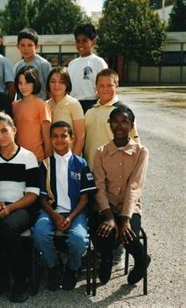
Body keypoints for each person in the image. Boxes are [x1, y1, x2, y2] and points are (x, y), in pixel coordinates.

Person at [0, 112, 40, 303]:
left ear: (14, 130)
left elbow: (33, 194)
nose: (0, 136)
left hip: (21, 207)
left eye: (4, 131)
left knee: (8, 228)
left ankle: (21, 281)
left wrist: (10, 209)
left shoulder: (28, 157)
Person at [32, 121, 96, 291]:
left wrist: (69, 217)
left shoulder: (80, 164)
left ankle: (72, 268)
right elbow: (42, 198)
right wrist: (55, 216)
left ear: (71, 138)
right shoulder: (45, 164)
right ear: (50, 139)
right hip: (51, 211)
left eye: (63, 136)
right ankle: (53, 266)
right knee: (39, 233)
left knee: (78, 239)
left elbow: (84, 198)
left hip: (76, 212)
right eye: (55, 136)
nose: (59, 139)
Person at [92, 106, 150, 286]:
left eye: (124, 121)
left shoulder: (141, 152)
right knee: (101, 230)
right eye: (115, 121)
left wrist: (124, 220)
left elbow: (134, 186)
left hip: (129, 208)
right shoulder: (101, 152)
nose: (119, 126)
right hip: (106, 206)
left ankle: (141, 260)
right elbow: (99, 187)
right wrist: (109, 217)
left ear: (131, 125)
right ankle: (106, 258)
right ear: (110, 124)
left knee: (128, 234)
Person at [84, 68, 140, 170]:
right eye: (101, 85)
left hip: (114, 172)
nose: (105, 89)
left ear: (117, 86)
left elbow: (135, 146)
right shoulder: (89, 111)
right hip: (91, 170)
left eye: (109, 85)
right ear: (96, 87)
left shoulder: (124, 112)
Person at [12, 65, 52, 162]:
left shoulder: (41, 105)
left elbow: (47, 139)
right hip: (17, 158)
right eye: (20, 83)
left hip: (36, 159)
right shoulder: (14, 105)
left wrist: (49, 163)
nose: (23, 87)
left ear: (35, 83)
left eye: (27, 83)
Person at [67, 23, 108, 113]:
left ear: (93, 42)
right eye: (78, 41)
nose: (80, 44)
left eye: (84, 40)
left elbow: (105, 86)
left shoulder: (98, 62)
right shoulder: (72, 64)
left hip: (92, 105)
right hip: (73, 104)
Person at [46, 66, 85, 155]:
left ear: (67, 84)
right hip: (52, 159)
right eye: (53, 81)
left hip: (70, 158)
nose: (56, 85)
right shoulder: (45, 105)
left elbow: (80, 138)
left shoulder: (74, 104)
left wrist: (73, 162)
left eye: (61, 82)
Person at [13, 28, 51, 100]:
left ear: (37, 46)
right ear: (18, 47)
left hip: (40, 105)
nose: (26, 49)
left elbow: (50, 89)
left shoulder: (43, 64)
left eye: (30, 45)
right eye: (23, 45)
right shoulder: (17, 66)